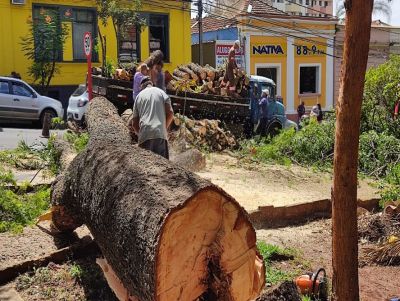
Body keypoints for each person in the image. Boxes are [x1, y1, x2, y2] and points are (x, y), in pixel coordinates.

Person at [132, 76, 174, 159]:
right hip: (160, 134)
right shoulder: (162, 93)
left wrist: (140, 135)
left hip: (145, 134)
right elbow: (170, 113)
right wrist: (163, 128)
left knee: (145, 167)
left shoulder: (138, 97)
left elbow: (134, 124)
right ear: (151, 84)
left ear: (141, 86)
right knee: (163, 168)